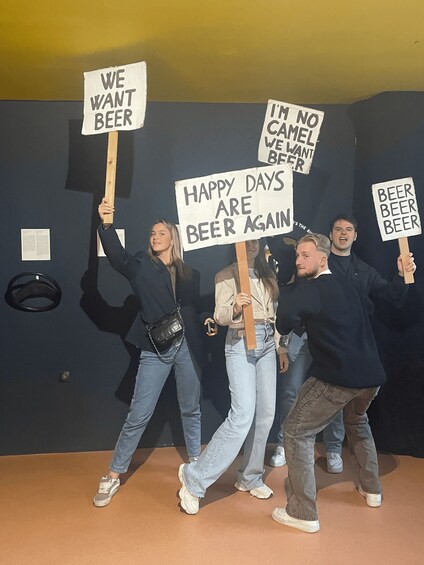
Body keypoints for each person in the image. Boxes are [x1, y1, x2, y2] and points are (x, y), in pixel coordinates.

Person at [268, 214, 416, 473]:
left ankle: (334, 449)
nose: (343, 233)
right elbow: (292, 301)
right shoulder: (312, 258)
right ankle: (284, 443)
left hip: (338, 344)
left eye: (348, 229)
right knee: (291, 390)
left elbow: (391, 296)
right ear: (330, 235)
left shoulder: (364, 271)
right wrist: (283, 341)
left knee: (337, 395)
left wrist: (402, 275)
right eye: (338, 229)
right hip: (306, 335)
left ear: (355, 236)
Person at [93, 198, 215, 508]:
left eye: (162, 233)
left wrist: (207, 320)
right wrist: (106, 225)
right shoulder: (140, 265)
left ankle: (196, 466)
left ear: (173, 238)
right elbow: (117, 258)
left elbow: (195, 307)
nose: (155, 237)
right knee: (139, 414)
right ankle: (113, 474)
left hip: (188, 347)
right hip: (156, 348)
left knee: (191, 409)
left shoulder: (191, 273)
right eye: (152, 233)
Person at [272, 233, 388, 533]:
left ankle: (302, 513)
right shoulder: (348, 285)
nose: (299, 261)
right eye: (297, 255)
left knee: (295, 430)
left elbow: (283, 320)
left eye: (305, 256)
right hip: (371, 378)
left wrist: (293, 300)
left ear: (322, 259)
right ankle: (372, 489)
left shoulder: (311, 289)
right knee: (357, 422)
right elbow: (370, 309)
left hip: (340, 378)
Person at [178, 239, 280, 514]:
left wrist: (279, 345)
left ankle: (250, 476)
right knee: (242, 415)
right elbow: (220, 317)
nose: (252, 245)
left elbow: (274, 314)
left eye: (256, 240)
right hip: (240, 342)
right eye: (247, 241)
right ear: (236, 242)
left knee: (265, 414)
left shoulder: (269, 273)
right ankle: (194, 479)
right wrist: (235, 307)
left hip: (267, 344)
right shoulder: (225, 275)